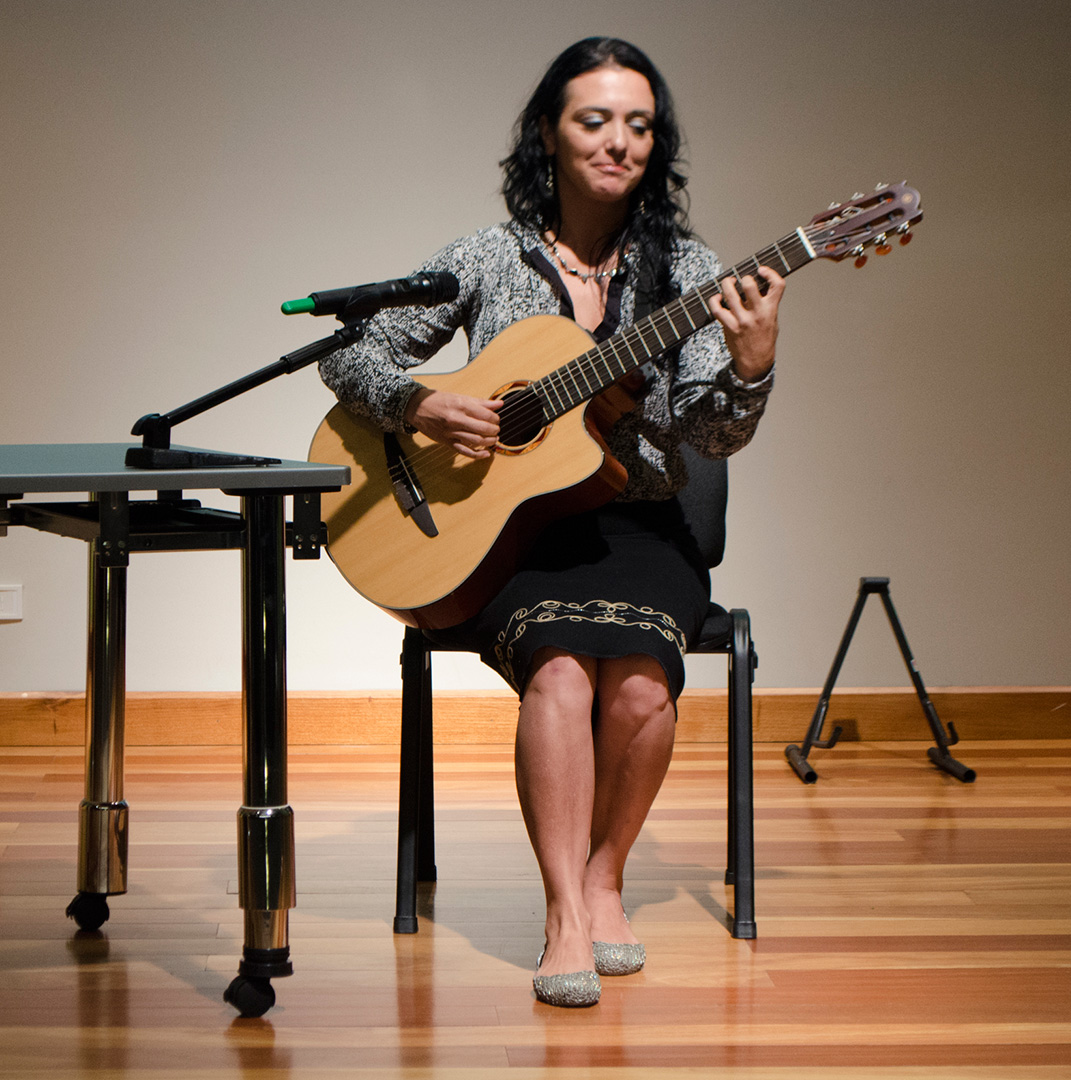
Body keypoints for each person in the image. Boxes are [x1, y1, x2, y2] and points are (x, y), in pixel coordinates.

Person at [319, 37, 785, 1007]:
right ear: (549, 132)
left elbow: (712, 435)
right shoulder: (486, 256)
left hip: (641, 524)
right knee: (564, 673)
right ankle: (565, 910)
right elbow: (349, 355)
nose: (619, 142)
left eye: (639, 125)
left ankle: (607, 877)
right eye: (595, 120)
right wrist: (420, 406)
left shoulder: (688, 270)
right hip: (511, 536)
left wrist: (750, 366)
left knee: (642, 689)